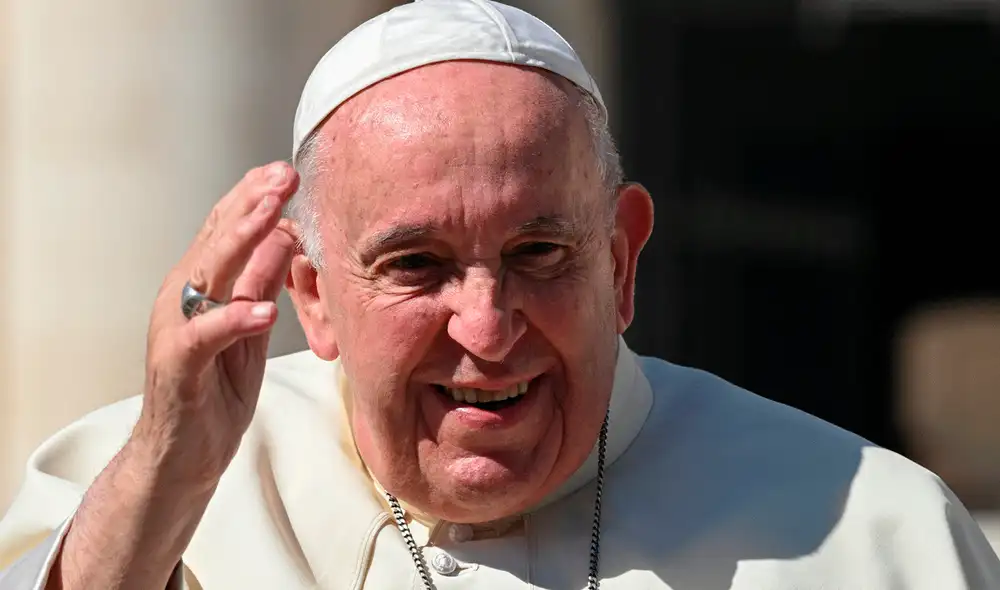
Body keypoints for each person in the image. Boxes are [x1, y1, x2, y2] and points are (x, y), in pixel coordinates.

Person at [1, 1, 998, 588]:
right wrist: (165, 476)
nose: (485, 327)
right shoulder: (161, 484)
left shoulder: (874, 529)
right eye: (415, 264)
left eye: (538, 251)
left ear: (622, 261)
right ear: (313, 292)